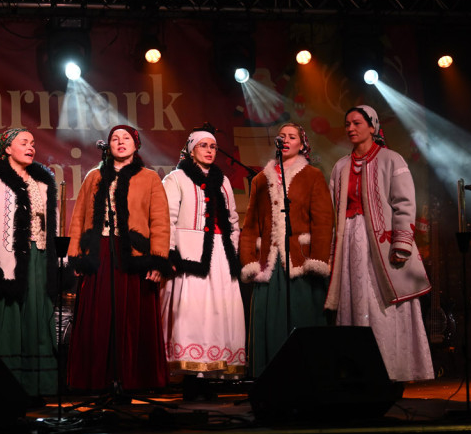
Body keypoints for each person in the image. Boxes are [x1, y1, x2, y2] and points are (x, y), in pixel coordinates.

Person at [325, 105, 434, 382]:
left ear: (372, 127)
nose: (350, 128)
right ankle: (358, 370)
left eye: (357, 123)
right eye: (347, 123)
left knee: (383, 302)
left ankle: (391, 368)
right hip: (350, 240)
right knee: (354, 299)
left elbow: (405, 203)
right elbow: (332, 209)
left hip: (381, 242)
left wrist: (402, 243)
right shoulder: (340, 166)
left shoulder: (392, 160)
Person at [66, 125, 172, 391]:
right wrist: (76, 255)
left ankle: (133, 379)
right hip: (99, 252)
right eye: (115, 138)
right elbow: (79, 217)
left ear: (136, 145)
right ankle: (96, 380)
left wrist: (158, 260)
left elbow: (160, 222)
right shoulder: (93, 176)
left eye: (126, 138)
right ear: (108, 146)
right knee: (99, 316)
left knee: (131, 318)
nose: (120, 142)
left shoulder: (150, 178)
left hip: (134, 256)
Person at [239, 122, 334, 378]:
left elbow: (324, 221)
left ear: (302, 145)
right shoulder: (260, 179)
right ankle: (270, 377)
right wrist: (249, 261)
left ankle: (309, 377)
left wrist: (318, 259)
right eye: (282, 136)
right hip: (269, 264)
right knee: (269, 320)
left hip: (301, 261)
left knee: (303, 317)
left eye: (292, 136)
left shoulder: (313, 176)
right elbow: (250, 226)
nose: (286, 140)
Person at [0, 128, 59, 397]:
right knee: (8, 317)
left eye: (33, 143)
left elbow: (51, 225)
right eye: (24, 142)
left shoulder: (42, 183)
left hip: (38, 258)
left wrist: (56, 258)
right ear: (8, 148)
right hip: (7, 259)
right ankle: (4, 388)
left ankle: (36, 387)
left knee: (36, 317)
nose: (31, 147)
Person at [161, 127, 246, 396]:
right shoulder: (176, 178)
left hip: (219, 255)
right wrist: (171, 252)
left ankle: (211, 373)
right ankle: (191, 378)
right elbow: (168, 218)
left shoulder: (223, 182)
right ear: (190, 149)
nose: (209, 150)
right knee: (192, 314)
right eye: (203, 145)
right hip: (190, 254)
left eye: (213, 146)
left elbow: (232, 221)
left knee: (219, 313)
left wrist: (231, 252)